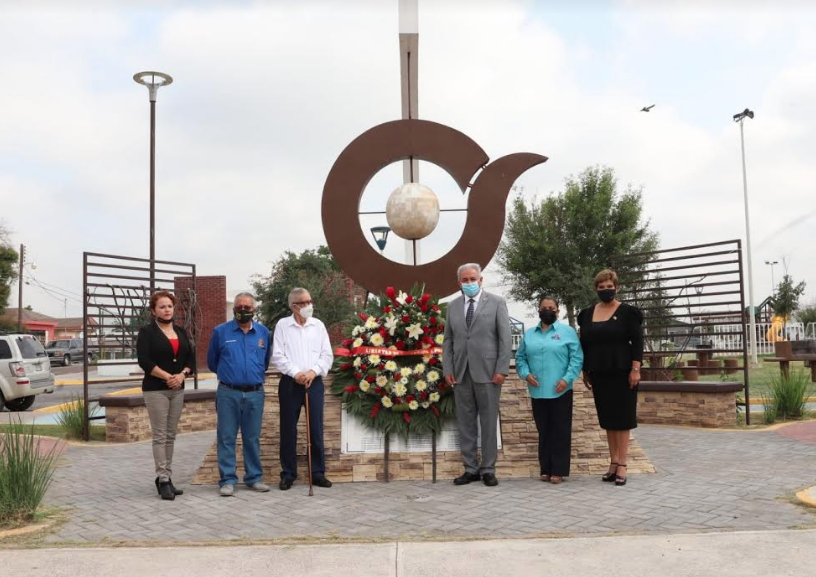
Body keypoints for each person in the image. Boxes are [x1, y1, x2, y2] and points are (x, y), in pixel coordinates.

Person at [443, 263, 511, 487]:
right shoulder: (452, 307)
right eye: (465, 280)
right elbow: (449, 341)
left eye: (473, 279)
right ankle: (470, 468)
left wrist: (502, 369)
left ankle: (488, 469)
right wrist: (448, 369)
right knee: (465, 423)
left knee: (489, 422)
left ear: (481, 280)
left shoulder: (497, 303)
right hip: (461, 373)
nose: (469, 283)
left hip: (489, 373)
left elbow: (505, 339)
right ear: (459, 283)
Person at [577, 269, 643, 487]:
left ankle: (623, 464)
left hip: (623, 373)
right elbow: (585, 344)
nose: (606, 290)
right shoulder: (586, 314)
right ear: (596, 289)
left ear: (616, 287)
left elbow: (638, 342)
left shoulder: (628, 312)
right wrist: (586, 369)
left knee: (622, 420)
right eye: (601, 287)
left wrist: (636, 369)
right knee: (608, 420)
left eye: (609, 286)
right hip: (599, 373)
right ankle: (613, 462)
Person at [207, 292, 272, 496]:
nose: (243, 310)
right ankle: (227, 479)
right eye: (239, 307)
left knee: (251, 437)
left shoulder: (263, 333)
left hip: (255, 393)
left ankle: (254, 478)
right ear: (234, 309)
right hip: (228, 392)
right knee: (226, 437)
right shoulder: (220, 332)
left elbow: (266, 361)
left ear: (254, 310)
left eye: (247, 307)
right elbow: (212, 362)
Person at [271, 287, 334, 491]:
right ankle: (288, 473)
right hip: (291, 383)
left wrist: (313, 372)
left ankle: (317, 472)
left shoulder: (318, 325)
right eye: (305, 303)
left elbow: (327, 355)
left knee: (315, 427)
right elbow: (278, 355)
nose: (309, 306)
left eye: (310, 301)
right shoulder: (283, 325)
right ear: (294, 306)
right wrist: (296, 373)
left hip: (313, 382)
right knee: (288, 429)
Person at [515, 296, 583, 484]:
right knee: (543, 430)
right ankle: (545, 468)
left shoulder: (567, 332)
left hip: (560, 390)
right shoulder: (529, 334)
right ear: (538, 311)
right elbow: (520, 358)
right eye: (544, 307)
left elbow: (576, 358)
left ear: (558, 311)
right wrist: (525, 374)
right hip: (538, 391)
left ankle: (558, 470)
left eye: (551, 307)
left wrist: (567, 379)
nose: (547, 310)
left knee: (560, 430)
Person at [136, 290, 195, 501]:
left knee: (171, 435)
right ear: (153, 311)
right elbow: (144, 360)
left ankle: (167, 477)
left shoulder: (181, 331)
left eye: (169, 306)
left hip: (177, 389)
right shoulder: (147, 332)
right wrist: (167, 376)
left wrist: (181, 375)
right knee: (160, 436)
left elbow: (191, 359)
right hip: (156, 389)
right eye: (162, 306)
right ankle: (162, 479)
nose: (166, 309)